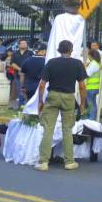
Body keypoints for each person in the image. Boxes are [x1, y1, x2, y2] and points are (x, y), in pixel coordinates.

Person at [33, 40, 86, 171]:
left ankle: (43, 162)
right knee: (67, 130)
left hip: (53, 95)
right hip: (69, 97)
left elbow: (42, 84)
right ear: (71, 50)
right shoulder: (77, 64)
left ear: (59, 50)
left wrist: (40, 101)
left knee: (48, 129)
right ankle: (69, 161)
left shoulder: (51, 62)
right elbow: (82, 86)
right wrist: (82, 103)